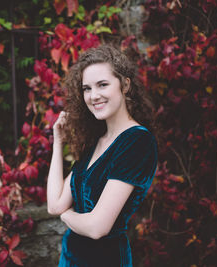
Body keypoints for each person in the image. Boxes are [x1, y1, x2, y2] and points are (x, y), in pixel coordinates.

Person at [46, 45, 158, 267]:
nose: (93, 96)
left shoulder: (137, 142)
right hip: (70, 258)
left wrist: (67, 217)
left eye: (103, 85)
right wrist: (58, 143)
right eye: (87, 88)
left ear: (125, 85)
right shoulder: (96, 141)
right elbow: (55, 205)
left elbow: (98, 227)